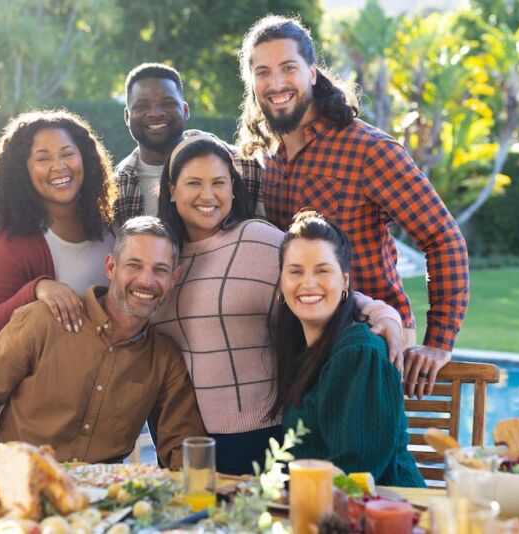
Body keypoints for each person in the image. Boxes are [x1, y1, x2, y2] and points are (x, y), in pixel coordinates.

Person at [237, 16, 470, 397]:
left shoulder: (369, 150)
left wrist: (439, 342)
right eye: (263, 72)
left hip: (372, 339)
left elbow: (442, 237)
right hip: (301, 346)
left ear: (312, 73)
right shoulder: (266, 158)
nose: (276, 84)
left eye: (288, 68)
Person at [154, 135, 404, 475]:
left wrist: (383, 313)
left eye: (219, 183)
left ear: (233, 189)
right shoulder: (163, 258)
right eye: (193, 183)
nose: (207, 195)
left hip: (260, 432)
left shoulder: (258, 239)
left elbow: (315, 279)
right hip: (187, 437)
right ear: (171, 190)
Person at [0, 217, 206, 468]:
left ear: (174, 278)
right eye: (134, 265)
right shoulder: (43, 322)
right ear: (111, 267)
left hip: (104, 505)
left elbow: (182, 444)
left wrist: (205, 486)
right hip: (20, 485)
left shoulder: (164, 358)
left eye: (160, 270)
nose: (146, 280)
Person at [269, 211, 425, 487]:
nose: (308, 283)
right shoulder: (306, 351)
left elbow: (355, 473)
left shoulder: (361, 353)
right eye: (295, 271)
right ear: (281, 283)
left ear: (345, 283)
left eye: (322, 270)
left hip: (389, 513)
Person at [0, 109, 117, 348]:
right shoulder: (9, 244)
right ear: (23, 171)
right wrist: (37, 289)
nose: (58, 167)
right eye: (42, 158)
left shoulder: (114, 229)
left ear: (85, 160)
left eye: (67, 154)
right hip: (46, 381)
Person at [114, 63, 262, 228]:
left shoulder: (243, 166)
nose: (155, 113)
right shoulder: (116, 186)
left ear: (185, 110)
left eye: (167, 103)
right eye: (142, 106)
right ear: (127, 116)